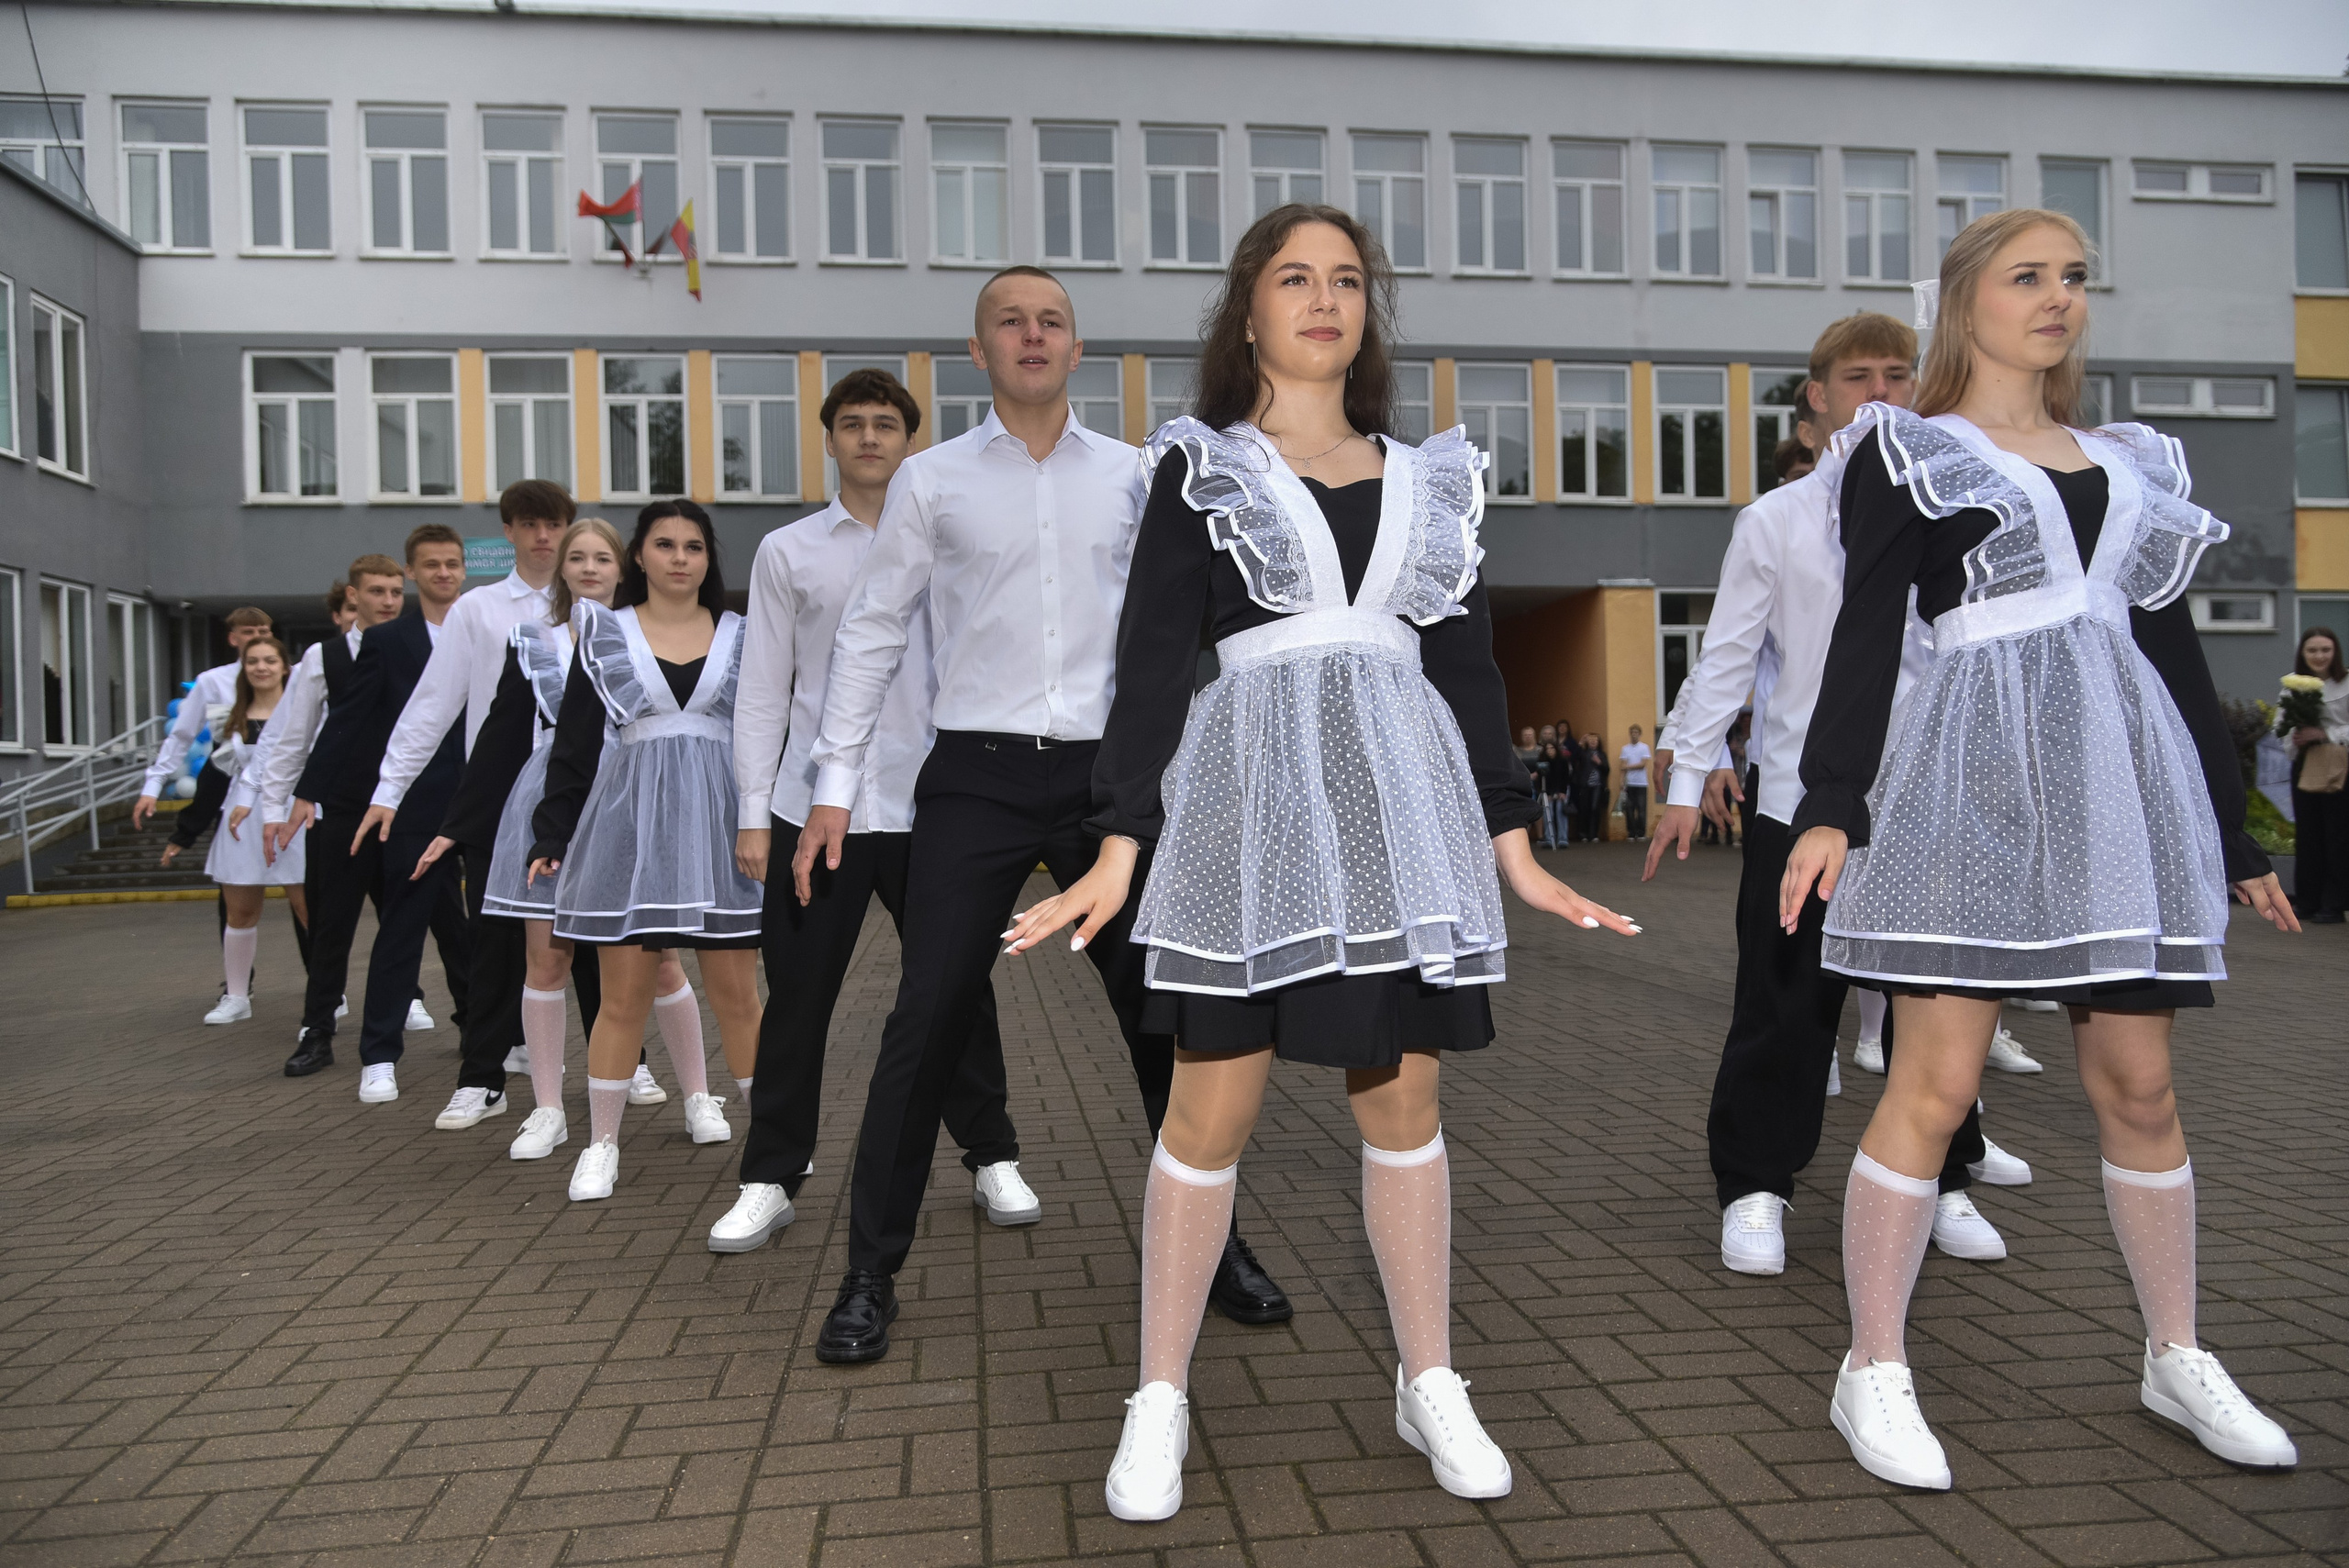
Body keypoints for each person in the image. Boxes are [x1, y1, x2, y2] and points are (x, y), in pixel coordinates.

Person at [998, 204, 1639, 1519]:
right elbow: (1151, 665)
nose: (1325, 297)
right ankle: (1159, 1394)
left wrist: (1514, 845)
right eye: (1295, 277)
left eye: (1347, 279)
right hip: (1247, 818)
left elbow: (1466, 672)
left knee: (1403, 1102)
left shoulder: (1432, 480)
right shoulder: (1202, 468)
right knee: (1209, 1110)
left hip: (1401, 823)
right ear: (1250, 313)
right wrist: (1121, 839)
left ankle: (1430, 1375)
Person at [1782, 209, 2301, 1488]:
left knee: (2140, 1086)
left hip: (2123, 795)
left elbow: (2172, 651)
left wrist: (2234, 829)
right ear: (1967, 300)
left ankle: (2174, 1350)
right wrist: (1831, 802)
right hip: (1970, 779)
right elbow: (1861, 635)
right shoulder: (1910, 449)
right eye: (2029, 276)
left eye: (2073, 277)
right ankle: (1874, 1366)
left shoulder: (2132, 460)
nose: (2058, 297)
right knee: (1937, 1083)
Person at [790, 264, 1295, 1366]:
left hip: (1116, 784)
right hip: (971, 778)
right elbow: (874, 631)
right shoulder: (930, 482)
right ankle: (868, 1272)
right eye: (1009, 321)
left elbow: (1188, 633)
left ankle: (1217, 1248)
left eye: (1051, 320)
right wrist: (834, 788)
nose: (1031, 334)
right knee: (923, 1019)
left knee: (1171, 1019)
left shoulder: (1140, 475)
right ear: (978, 351)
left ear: (1079, 348)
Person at [1643, 312, 2026, 1276]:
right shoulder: (1775, 521)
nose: (1883, 392)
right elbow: (1724, 654)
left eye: (1901, 374)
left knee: (1938, 1001)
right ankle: (1755, 1186)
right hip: (1800, 806)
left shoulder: (1955, 508)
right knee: (1784, 1003)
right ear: (1815, 398)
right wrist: (1686, 779)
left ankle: (1943, 1178)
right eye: (1859, 376)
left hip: (1931, 798)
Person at [715, 369, 1030, 1254]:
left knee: (956, 989)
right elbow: (762, 692)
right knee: (800, 997)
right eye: (851, 423)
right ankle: (771, 1176)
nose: (868, 437)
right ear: (829, 438)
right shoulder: (788, 551)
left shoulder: (957, 539)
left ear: (910, 439)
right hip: (817, 810)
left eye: (885, 423)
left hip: (940, 802)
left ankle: (991, 1153)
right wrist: (751, 811)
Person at [416, 517, 684, 1161]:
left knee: (639, 949)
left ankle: (635, 1066)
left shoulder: (651, 635)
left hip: (626, 802)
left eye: (603, 557)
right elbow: (501, 736)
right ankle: (515, 1094)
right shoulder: (535, 642)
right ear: (561, 569)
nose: (590, 567)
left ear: (626, 568)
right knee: (537, 953)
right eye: (578, 557)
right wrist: (456, 824)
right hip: (552, 807)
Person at [529, 501, 764, 1203]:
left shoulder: (746, 635)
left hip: (725, 826)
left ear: (708, 557)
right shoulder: (604, 635)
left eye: (694, 545)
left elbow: (770, 734)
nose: (680, 557)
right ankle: (600, 1145)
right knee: (622, 995)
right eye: (664, 543)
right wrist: (551, 832)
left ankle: (770, 1139)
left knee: (739, 997)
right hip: (630, 829)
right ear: (639, 555)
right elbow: (572, 745)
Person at [350, 481, 580, 1131]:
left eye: (554, 523)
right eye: (530, 524)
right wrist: (388, 790)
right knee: (493, 940)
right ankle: (483, 1076)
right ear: (507, 531)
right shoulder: (478, 610)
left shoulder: (600, 606)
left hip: (586, 795)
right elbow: (434, 702)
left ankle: (634, 1061)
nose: (544, 536)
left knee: (597, 934)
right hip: (502, 800)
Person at [288, 525, 477, 1100]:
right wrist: (306, 790)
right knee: (399, 925)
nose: (444, 573)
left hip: (478, 799)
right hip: (408, 806)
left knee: (471, 930)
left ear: (464, 570)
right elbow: (346, 719)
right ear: (412, 573)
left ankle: (489, 1033)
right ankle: (374, 1051)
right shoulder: (388, 642)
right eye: (431, 565)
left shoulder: (490, 629)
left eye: (453, 564)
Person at [160, 636, 308, 1024]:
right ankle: (237, 996)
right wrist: (186, 830)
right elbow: (221, 772)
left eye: (270, 660)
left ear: (284, 666)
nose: (261, 668)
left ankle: (330, 991)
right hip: (242, 818)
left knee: (309, 907)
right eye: (253, 661)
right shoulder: (234, 716)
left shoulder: (306, 711)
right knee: (240, 911)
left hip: (296, 816)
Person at [2286, 627, 2348, 922]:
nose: (2319, 656)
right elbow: (2280, 725)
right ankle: (2307, 899)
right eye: (2312, 650)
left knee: (2338, 833)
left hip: (2341, 764)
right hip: (2306, 763)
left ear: (2335, 652)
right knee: (2308, 833)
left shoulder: (2346, 682)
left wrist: (2324, 733)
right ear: (2303, 654)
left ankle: (2333, 903)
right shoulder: (2293, 687)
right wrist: (2294, 737)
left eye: (2325, 650)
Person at [1572, 730, 1609, 840]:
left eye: (1595, 740)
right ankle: (1583, 834)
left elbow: (1607, 770)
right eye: (1591, 740)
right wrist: (1580, 743)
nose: (1593, 742)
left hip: (1597, 785)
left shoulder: (1602, 754)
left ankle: (1594, 834)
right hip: (1585, 784)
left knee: (1594, 809)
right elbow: (1574, 758)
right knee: (1584, 808)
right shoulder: (1583, 753)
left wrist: (1600, 763)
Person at [1618, 725, 1653, 840]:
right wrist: (1621, 781)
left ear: (1639, 734)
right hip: (1630, 782)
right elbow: (1622, 767)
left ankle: (1641, 832)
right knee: (1629, 808)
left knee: (1641, 808)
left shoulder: (1644, 747)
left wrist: (1627, 767)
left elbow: (1642, 764)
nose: (1634, 734)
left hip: (1641, 782)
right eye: (1632, 732)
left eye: (1636, 732)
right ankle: (1631, 833)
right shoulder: (1625, 749)